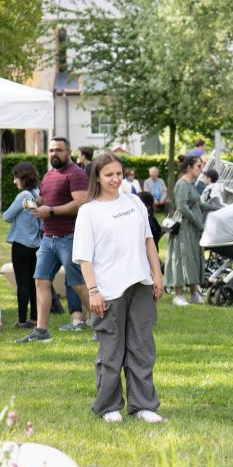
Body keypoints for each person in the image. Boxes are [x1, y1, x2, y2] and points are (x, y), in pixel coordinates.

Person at [73, 153, 164, 424]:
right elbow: (84, 257)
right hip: (108, 290)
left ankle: (143, 406)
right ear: (97, 178)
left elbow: (149, 241)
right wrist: (92, 291)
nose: (115, 179)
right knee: (111, 350)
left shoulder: (134, 201)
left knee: (142, 348)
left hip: (140, 284)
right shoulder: (89, 211)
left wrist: (157, 275)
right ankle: (108, 406)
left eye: (118, 173)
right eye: (109, 175)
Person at [16, 137, 90, 343]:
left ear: (68, 152)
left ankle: (105, 324)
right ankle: (41, 331)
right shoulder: (49, 175)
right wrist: (31, 202)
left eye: (58, 150)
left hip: (70, 237)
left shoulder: (76, 174)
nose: (54, 154)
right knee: (40, 280)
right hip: (48, 239)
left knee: (78, 283)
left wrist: (51, 212)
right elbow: (44, 199)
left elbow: (80, 203)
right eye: (50, 150)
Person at [165, 156, 219, 306]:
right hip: (183, 228)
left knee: (193, 258)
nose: (201, 170)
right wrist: (197, 222)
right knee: (182, 258)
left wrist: (220, 208)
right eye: (198, 166)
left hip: (192, 229)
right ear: (189, 167)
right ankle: (178, 296)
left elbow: (199, 205)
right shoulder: (182, 184)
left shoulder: (190, 185)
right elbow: (182, 207)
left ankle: (194, 293)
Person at [3, 162, 42, 329]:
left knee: (22, 283)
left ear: (23, 178)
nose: (14, 181)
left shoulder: (22, 196)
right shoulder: (39, 193)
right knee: (34, 282)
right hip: (37, 245)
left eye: (15, 177)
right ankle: (34, 318)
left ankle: (21, 320)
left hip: (20, 246)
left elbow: (6, 217)